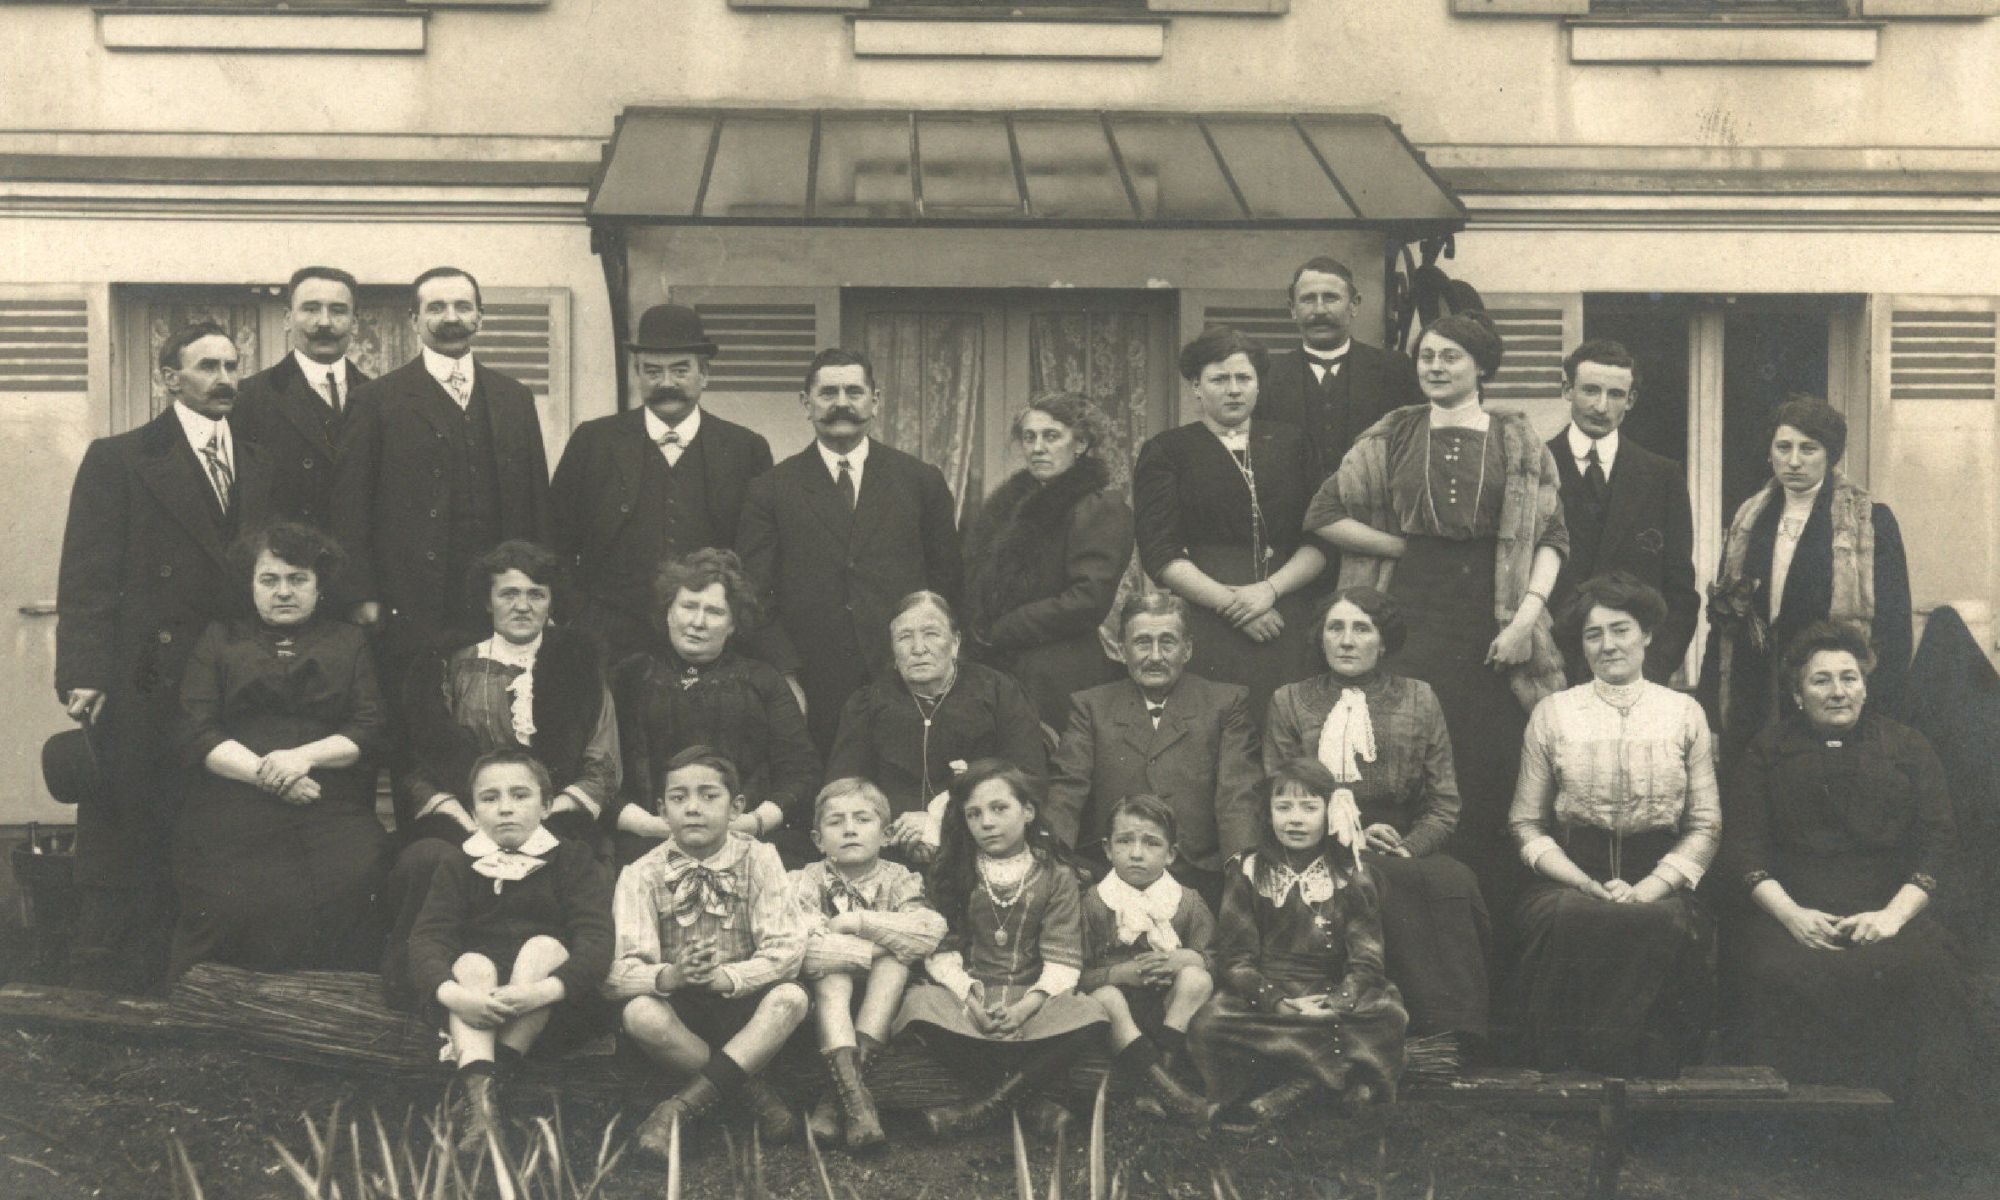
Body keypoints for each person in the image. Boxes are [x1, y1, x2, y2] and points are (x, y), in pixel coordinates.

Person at [1306, 310, 1568, 922]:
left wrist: (1525, 622)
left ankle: (1492, 936)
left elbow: (1553, 537)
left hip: (1494, 619)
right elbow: (1324, 514)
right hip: (1409, 619)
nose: (1435, 367)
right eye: (1427, 356)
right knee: (1403, 764)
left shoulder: (1518, 438)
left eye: (1451, 357)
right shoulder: (1393, 432)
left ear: (1482, 367)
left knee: (1488, 771)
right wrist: (1404, 547)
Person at [56, 321, 275, 992]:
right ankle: (121, 972)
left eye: (234, 365)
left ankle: (207, 969)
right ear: (170, 378)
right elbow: (88, 573)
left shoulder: (260, 460)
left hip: (236, 670)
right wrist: (85, 671)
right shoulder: (121, 457)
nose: (226, 378)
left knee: (220, 818)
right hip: (146, 673)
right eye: (207, 366)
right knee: (136, 813)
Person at [1716, 621, 1970, 1112]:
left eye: (1849, 678)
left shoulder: (1908, 747)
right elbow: (1744, 847)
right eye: (1821, 680)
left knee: (1928, 971)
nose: (1838, 692)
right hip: (1790, 916)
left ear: (1866, 685)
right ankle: (1792, 1132)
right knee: (1772, 971)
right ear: (1796, 693)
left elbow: (1938, 843)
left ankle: (1913, 1131)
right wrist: (1792, 916)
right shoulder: (1767, 751)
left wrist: (1891, 918)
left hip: (1888, 914)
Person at [332, 266, 555, 804]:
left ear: (480, 316)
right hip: (413, 603)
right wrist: (362, 593)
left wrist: (542, 588)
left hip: (496, 604)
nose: (450, 318)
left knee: (503, 725)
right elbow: (351, 503)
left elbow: (535, 499)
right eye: (436, 308)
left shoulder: (512, 398)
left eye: (461, 307)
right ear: (414, 320)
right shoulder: (378, 400)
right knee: (423, 732)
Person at [381, 540, 619, 1003]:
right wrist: (475, 822)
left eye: (536, 594)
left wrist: (541, 820)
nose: (522, 606)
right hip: (464, 819)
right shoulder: (453, 665)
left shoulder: (579, 666)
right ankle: (433, 990)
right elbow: (418, 764)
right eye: (509, 594)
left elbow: (602, 763)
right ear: (488, 600)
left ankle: (551, 997)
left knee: (581, 866)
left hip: (553, 817)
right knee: (426, 860)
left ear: (552, 602)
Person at [1506, 573, 1720, 1076]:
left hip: (1661, 874)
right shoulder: (1553, 713)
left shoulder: (1683, 713)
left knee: (1659, 923)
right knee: (1569, 917)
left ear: (1647, 635)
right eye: (1593, 634)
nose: (1608, 645)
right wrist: (1582, 881)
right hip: (1571, 872)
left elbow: (1706, 825)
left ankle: (1650, 1082)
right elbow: (1525, 823)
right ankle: (1570, 1081)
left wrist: (1649, 888)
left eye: (1620, 629)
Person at [1262, 586, 1489, 1048]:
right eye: (1335, 628)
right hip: (1314, 839)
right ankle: (1378, 1032)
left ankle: (1445, 1034)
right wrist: (1350, 836)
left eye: (1361, 629)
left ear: (1383, 642)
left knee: (1450, 880)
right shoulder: (1289, 701)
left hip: (1401, 841)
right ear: (1320, 638)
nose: (1347, 640)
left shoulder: (1419, 698)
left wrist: (1409, 846)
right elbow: (1282, 792)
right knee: (1373, 879)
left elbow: (1444, 802)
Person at [171, 521, 387, 978]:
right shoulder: (219, 638)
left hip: (328, 798)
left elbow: (369, 727)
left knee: (357, 870)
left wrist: (301, 758)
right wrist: (268, 775)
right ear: (250, 585)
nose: (283, 591)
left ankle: (336, 1006)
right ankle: (219, 1006)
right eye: (269, 580)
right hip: (234, 797)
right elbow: (196, 730)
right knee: (238, 890)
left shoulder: (349, 642)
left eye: (298, 579)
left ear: (318, 585)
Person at [737, 348, 963, 754]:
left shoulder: (920, 481)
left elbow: (947, 582)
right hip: (812, 682)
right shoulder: (771, 489)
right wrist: (787, 675)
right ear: (806, 404)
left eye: (854, 391)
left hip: (903, 675)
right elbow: (754, 595)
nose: (841, 403)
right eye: (828, 393)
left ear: (874, 401)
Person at [405, 751, 615, 1152]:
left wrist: (541, 992)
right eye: (489, 798)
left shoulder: (571, 858)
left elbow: (597, 940)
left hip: (548, 1006)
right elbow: (428, 937)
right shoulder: (459, 861)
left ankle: (487, 1083)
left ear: (547, 805)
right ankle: (485, 1116)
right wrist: (455, 995)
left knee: (543, 947)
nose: (505, 809)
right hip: (474, 1003)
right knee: (471, 963)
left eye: (520, 795)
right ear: (473, 810)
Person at [1187, 758, 1406, 1133]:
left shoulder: (1352, 873)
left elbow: (1367, 958)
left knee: (1388, 1015)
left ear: (1330, 812)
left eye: (1309, 807)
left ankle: (1300, 1087)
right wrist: (1278, 1003)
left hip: (1329, 990)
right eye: (1283, 807)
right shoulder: (1248, 871)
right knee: (1210, 1024)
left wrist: (1336, 1002)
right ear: (1268, 813)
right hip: (1265, 992)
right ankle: (1328, 1082)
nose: (1295, 819)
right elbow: (1236, 959)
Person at [606, 747, 808, 1154]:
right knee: (638, 1013)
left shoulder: (761, 859)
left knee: (792, 998)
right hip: (681, 1015)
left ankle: (676, 1110)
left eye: (708, 795)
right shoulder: (640, 873)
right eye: (679, 798)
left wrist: (728, 977)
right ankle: (753, 1093)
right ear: (663, 811)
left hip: (743, 1007)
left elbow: (787, 949)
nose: (693, 808)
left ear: (736, 808)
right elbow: (616, 971)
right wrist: (669, 976)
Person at [893, 760, 1108, 1138]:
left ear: (1027, 811)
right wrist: (973, 1005)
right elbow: (942, 950)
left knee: (1090, 1012)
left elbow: (1063, 957)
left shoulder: (1056, 874)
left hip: (1034, 999)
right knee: (918, 1004)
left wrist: (1026, 1008)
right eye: (973, 814)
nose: (986, 822)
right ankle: (1029, 1104)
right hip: (969, 997)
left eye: (999, 809)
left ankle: (983, 1107)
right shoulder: (954, 871)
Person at [550, 305, 774, 666]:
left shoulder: (745, 448)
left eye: (680, 370)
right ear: (636, 374)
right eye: (652, 371)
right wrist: (578, 617)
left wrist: (733, 625)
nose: (666, 383)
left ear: (704, 374)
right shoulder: (594, 441)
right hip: (607, 641)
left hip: (710, 642)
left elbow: (758, 557)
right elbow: (554, 540)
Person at [1699, 395, 1911, 764]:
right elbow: (1723, 624)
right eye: (1783, 447)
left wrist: (1874, 710)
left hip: (1831, 699)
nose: (1793, 461)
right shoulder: (1750, 517)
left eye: (1808, 449)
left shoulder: (1870, 520)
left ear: (1831, 455)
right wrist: (1712, 709)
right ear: (1770, 453)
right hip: (1756, 693)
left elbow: (1894, 628)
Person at [1134, 326, 1325, 722]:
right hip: (1209, 619)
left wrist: (1270, 591)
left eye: (1244, 378)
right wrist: (1236, 606)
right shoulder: (1168, 450)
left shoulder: (1293, 443)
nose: (1233, 389)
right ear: (1196, 387)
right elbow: (1161, 554)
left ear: (1258, 386)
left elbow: (1320, 538)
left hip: (1289, 613)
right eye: (1219, 379)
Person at [1045, 592, 1261, 905]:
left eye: (1167, 642)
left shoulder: (1225, 704)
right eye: (1143, 642)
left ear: (1187, 650)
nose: (1155, 656)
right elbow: (1068, 786)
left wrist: (1241, 865)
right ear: (1122, 649)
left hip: (1198, 874)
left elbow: (1237, 791)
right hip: (1111, 874)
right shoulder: (1091, 706)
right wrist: (1053, 858)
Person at [611, 548, 818, 866]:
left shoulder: (762, 680)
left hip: (749, 842)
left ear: (733, 624)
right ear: (668, 612)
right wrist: (646, 825)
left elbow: (801, 772)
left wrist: (755, 822)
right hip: (648, 842)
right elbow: (603, 769)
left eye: (714, 612)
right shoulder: (631, 677)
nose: (697, 622)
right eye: (688, 606)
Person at [788, 778, 947, 1151]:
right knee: (837, 976)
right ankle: (856, 1104)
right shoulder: (805, 880)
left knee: (893, 966)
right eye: (836, 821)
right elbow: (802, 946)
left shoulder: (902, 879)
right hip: (823, 992)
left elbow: (928, 932)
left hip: (885, 998)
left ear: (887, 833)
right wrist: (876, 947)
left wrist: (858, 923)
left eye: (862, 819)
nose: (849, 829)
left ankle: (837, 1101)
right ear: (816, 839)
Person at [825, 592, 1047, 857]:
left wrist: (938, 822)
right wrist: (893, 828)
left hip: (977, 843)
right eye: (905, 637)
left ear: (955, 643)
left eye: (931, 633)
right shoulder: (868, 703)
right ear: (893, 650)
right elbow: (843, 789)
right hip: (894, 844)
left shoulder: (998, 691)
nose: (918, 648)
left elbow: (1026, 777)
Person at [962, 391, 1132, 731]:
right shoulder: (1011, 507)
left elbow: (1088, 599)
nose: (1038, 447)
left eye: (1051, 436)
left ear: (1080, 444)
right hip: (1000, 664)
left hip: (1057, 670)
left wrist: (1006, 628)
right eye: (1029, 437)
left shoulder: (1097, 507)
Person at [1545, 341, 1697, 685]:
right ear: (1567, 390)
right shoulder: (1536, 466)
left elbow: (1680, 594)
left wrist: (1651, 672)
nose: (1601, 406)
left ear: (1630, 400)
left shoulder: (1662, 476)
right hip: (1553, 675)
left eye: (1615, 394)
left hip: (1637, 678)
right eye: (1590, 390)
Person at [1080, 794, 1215, 1123]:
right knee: (1108, 997)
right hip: (1117, 1021)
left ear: (1171, 854)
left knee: (1198, 977)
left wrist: (1186, 958)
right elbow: (1075, 974)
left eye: (1151, 843)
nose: (1136, 853)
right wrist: (1120, 974)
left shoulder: (1186, 902)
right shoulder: (1095, 903)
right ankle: (1166, 1089)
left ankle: (1162, 1071)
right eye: (1124, 841)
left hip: (1169, 1012)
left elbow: (1217, 959)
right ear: (1108, 849)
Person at [1256, 256, 1423, 487]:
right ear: (1292, 309)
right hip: (1293, 517)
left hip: (1373, 513)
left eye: (1331, 298)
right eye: (1307, 299)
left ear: (1354, 304)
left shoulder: (1394, 369)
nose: (1320, 310)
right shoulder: (1267, 375)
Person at [233, 266, 371, 533]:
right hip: (285, 563)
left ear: (355, 323)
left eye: (338, 311)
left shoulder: (378, 397)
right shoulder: (249, 397)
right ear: (287, 319)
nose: (324, 322)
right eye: (310, 309)